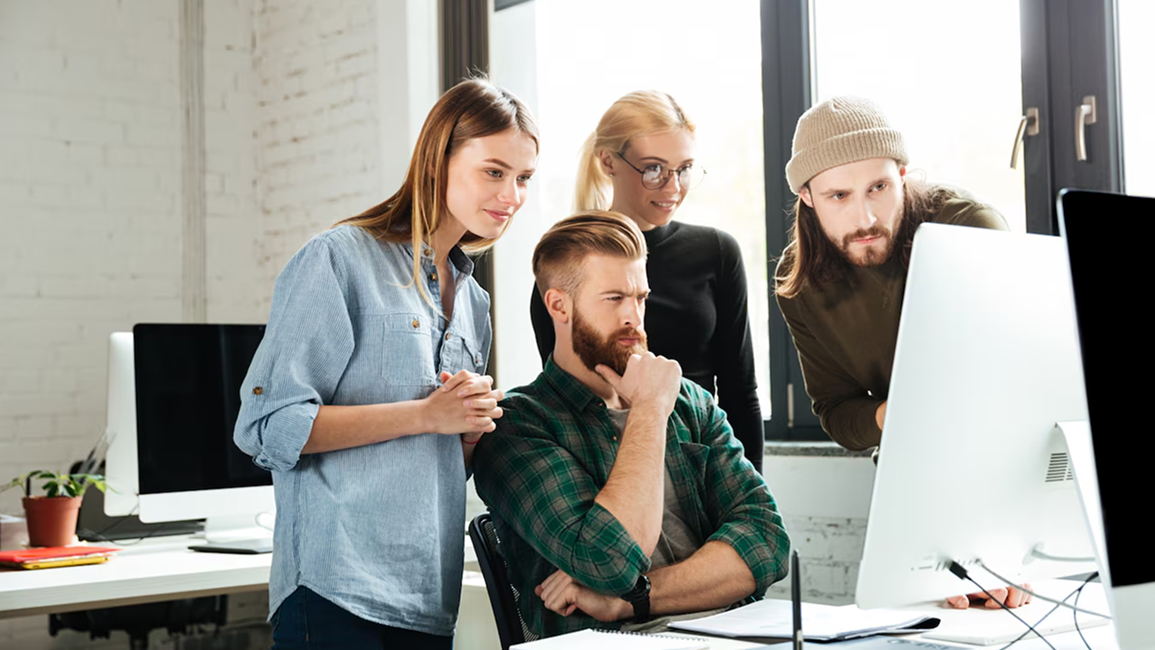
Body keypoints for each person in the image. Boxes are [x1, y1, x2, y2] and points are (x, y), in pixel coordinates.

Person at [233, 78, 538, 648]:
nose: (512, 194)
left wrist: (468, 429)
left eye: (524, 178)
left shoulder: (475, 301)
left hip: (426, 597)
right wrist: (427, 415)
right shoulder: (338, 259)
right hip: (333, 590)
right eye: (494, 171)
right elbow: (267, 428)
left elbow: (433, 464)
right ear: (437, 161)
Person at [476, 211, 789, 638]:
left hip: (728, 632)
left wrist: (634, 599)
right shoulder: (519, 425)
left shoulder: (686, 401)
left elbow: (768, 542)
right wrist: (647, 412)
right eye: (613, 299)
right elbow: (609, 562)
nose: (634, 318)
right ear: (558, 305)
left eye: (640, 298)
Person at [775, 96, 1030, 611]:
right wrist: (892, 416)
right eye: (838, 195)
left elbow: (1024, 396)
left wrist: (1015, 544)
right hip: (910, 482)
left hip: (1016, 480)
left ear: (904, 174)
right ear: (807, 197)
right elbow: (836, 411)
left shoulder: (970, 228)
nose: (866, 216)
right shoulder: (799, 284)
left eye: (879, 188)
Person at [529, 91, 765, 473]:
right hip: (615, 474)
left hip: (708, 471)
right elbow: (570, 404)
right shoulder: (565, 271)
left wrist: (748, 493)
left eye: (684, 168)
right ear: (608, 161)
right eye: (654, 168)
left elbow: (741, 394)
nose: (673, 188)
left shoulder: (717, 252)